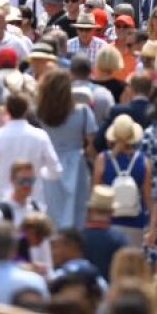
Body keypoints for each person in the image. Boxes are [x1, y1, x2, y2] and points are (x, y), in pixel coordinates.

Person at [37, 71, 97, 230]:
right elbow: (91, 144)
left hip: (47, 163)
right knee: (76, 211)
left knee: (49, 209)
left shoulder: (39, 113)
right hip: (76, 164)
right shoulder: (83, 111)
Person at [93, 114, 152, 246]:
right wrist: (152, 225)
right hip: (136, 222)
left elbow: (95, 194)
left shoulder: (102, 159)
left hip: (109, 223)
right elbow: (147, 197)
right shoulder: (143, 161)